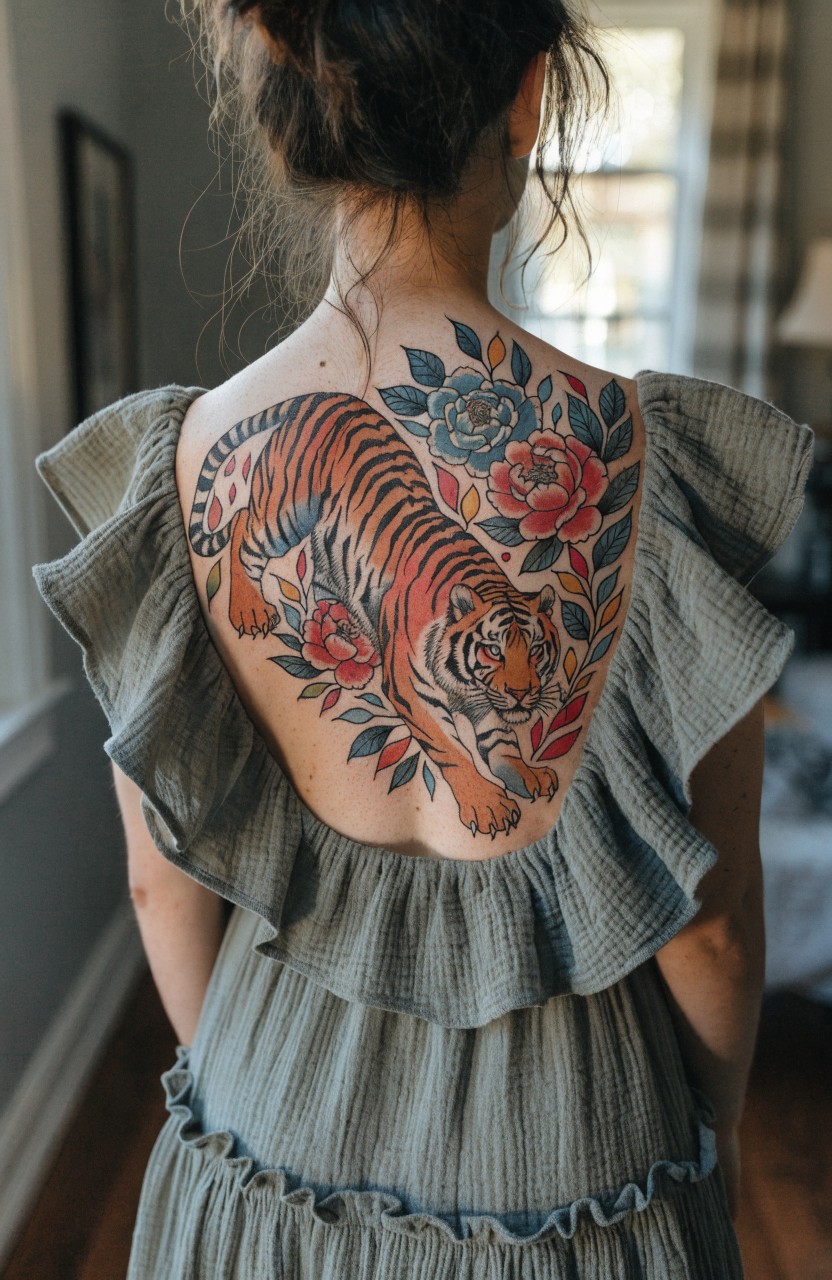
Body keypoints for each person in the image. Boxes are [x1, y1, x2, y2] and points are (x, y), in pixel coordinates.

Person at [31, 1, 814, 1276]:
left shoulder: (165, 471)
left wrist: (241, 1080)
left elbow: (160, 886)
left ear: (289, 103)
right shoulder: (655, 467)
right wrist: (713, 1124)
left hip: (268, 1133)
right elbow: (710, 926)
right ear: (529, 96)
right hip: (579, 1166)